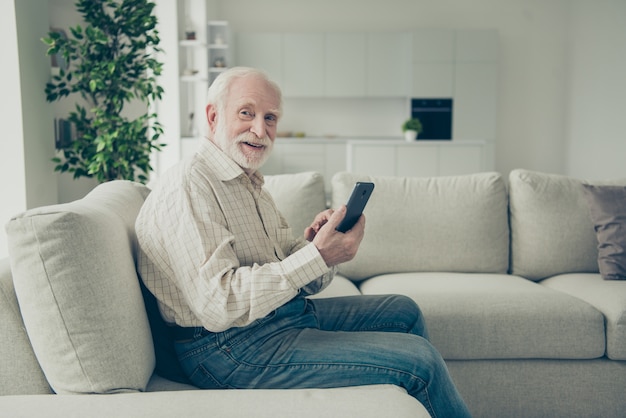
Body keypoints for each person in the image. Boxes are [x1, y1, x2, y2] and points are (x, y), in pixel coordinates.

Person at [136, 67, 471, 417]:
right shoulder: (191, 185)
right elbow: (219, 304)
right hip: (229, 349)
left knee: (403, 310)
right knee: (421, 361)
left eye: (270, 118)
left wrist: (316, 249)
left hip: (279, 318)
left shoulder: (247, 182)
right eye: (246, 113)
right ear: (213, 116)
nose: (260, 130)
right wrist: (315, 257)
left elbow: (293, 277)